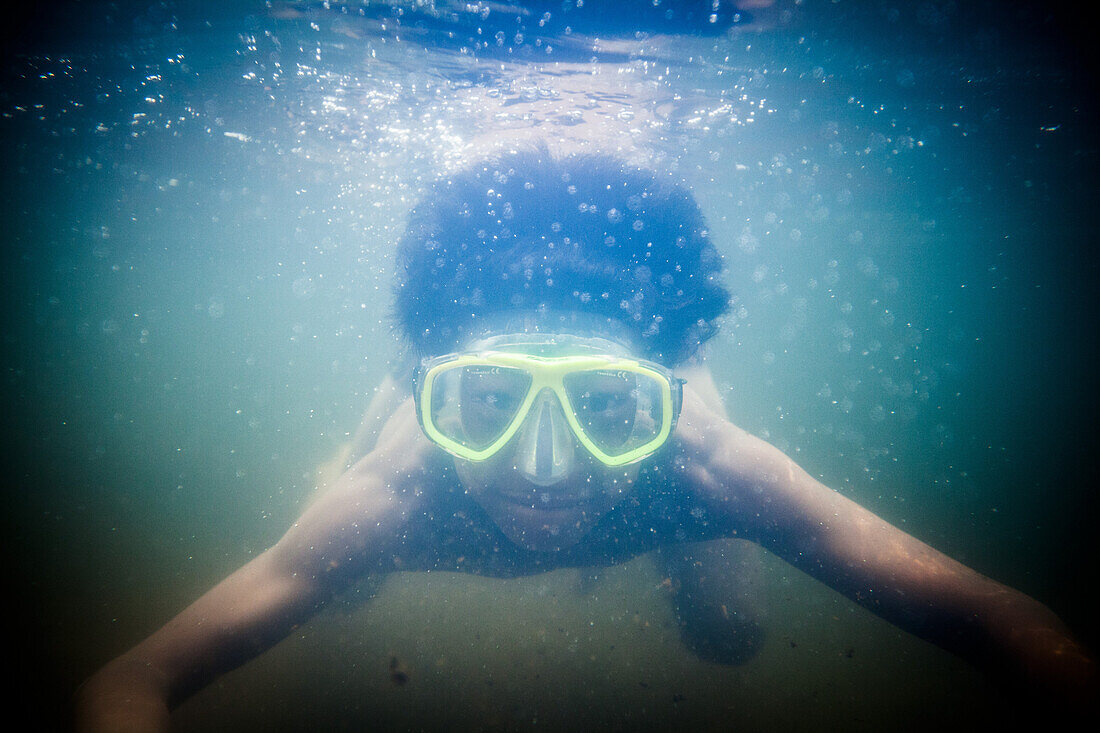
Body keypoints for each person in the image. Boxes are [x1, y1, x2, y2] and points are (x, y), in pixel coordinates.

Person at [75, 147, 1095, 731]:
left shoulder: (711, 465)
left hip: (678, 475)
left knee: (728, 637)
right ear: (425, 392)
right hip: (444, 449)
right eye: (484, 406)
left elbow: (1008, 623)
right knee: (345, 560)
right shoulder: (397, 488)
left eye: (609, 409)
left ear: (669, 397)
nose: (542, 472)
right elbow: (128, 681)